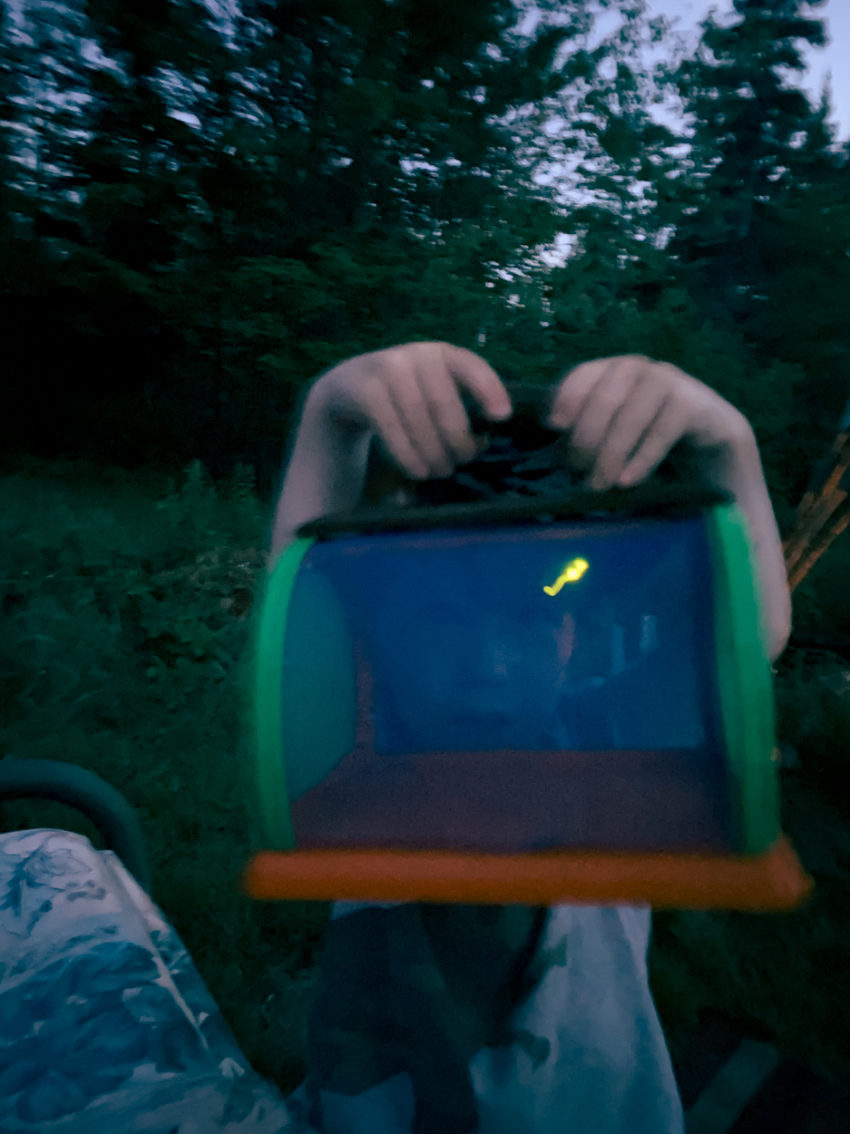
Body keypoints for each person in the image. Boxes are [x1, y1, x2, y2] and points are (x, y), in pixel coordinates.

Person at [268, 344, 792, 1134]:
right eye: (446, 622)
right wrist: (330, 420)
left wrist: (727, 449)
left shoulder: (607, 734)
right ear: (387, 638)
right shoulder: (369, 745)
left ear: (573, 636)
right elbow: (296, 624)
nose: (487, 663)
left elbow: (754, 640)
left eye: (527, 618)